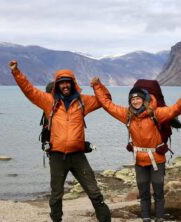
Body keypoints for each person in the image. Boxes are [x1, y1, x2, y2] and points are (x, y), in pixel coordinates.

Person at [8, 60, 111, 222]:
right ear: (57, 84)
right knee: (56, 196)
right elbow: (28, 90)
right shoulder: (49, 101)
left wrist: (98, 85)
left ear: (73, 83)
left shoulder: (83, 102)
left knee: (94, 192)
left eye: (67, 82)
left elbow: (105, 100)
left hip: (78, 157)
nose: (65, 85)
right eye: (62, 82)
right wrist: (16, 72)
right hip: (57, 157)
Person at [90, 77, 181, 222]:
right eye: (132, 100)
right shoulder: (127, 115)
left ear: (145, 99)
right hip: (139, 161)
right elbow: (107, 105)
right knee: (144, 193)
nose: (135, 101)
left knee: (158, 193)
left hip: (156, 160)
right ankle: (146, 219)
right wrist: (97, 85)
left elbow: (176, 108)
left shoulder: (157, 113)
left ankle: (159, 219)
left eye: (138, 98)